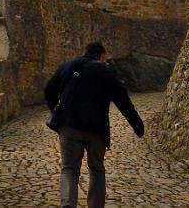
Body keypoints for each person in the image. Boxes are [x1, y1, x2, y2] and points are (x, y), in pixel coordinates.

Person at [44, 42, 144, 208]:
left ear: (86, 52)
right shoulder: (107, 72)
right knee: (96, 169)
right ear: (101, 56)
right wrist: (136, 124)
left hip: (69, 125)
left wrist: (56, 109)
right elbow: (123, 100)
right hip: (96, 129)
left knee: (69, 168)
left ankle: (68, 204)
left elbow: (49, 89)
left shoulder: (69, 66)